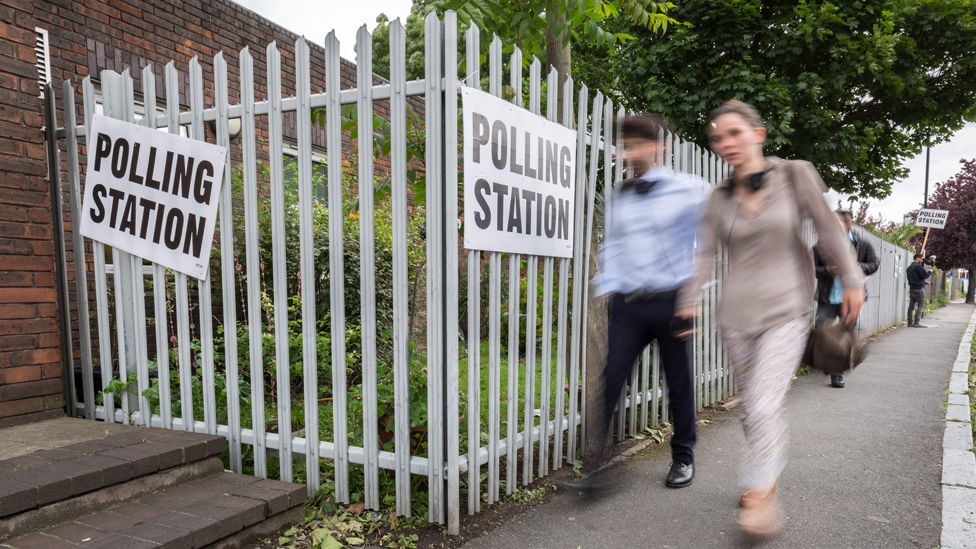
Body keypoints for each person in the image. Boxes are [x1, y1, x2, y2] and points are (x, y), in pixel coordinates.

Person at [675, 100, 864, 537]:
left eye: (734, 133)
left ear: (758, 134)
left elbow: (827, 228)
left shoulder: (795, 174)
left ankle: (760, 495)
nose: (725, 143)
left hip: (787, 311)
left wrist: (851, 276)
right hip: (736, 317)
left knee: (763, 404)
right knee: (753, 409)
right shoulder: (717, 199)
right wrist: (689, 298)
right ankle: (767, 472)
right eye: (718, 137)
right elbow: (705, 255)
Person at [580, 113, 708, 491]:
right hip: (628, 304)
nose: (630, 152)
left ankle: (683, 457)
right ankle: (597, 468)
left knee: (679, 384)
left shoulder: (688, 189)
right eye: (626, 146)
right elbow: (614, 244)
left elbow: (707, 246)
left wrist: (691, 298)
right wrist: (607, 283)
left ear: (659, 146)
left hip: (672, 303)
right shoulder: (620, 194)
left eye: (638, 144)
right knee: (611, 379)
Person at [813, 209, 879, 388]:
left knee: (843, 335)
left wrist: (853, 267)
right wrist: (830, 270)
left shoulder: (862, 243)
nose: (843, 224)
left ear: (851, 222)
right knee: (821, 330)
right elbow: (811, 267)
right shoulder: (822, 245)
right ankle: (824, 361)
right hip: (828, 298)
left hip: (851, 299)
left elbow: (874, 264)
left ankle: (837, 373)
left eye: (846, 221)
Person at [906, 253, 931, 327]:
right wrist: (930, 271)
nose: (922, 260)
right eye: (921, 258)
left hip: (912, 289)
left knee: (911, 306)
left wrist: (923, 282)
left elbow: (915, 278)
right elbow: (924, 275)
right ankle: (916, 323)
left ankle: (910, 323)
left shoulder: (909, 268)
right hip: (919, 289)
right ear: (917, 258)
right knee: (921, 305)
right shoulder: (918, 266)